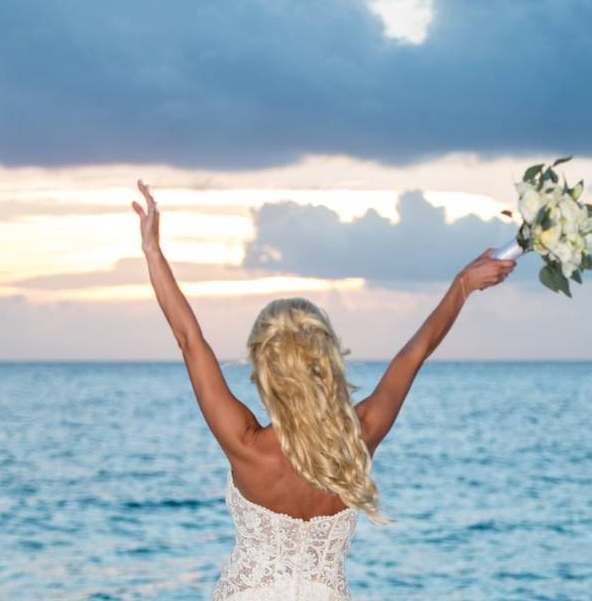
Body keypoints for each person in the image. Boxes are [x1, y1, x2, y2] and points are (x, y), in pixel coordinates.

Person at [131, 179, 516, 600]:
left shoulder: (246, 445)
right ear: (329, 360)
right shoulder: (361, 434)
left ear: (264, 369)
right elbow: (413, 354)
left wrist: (152, 250)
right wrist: (462, 284)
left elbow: (190, 340)